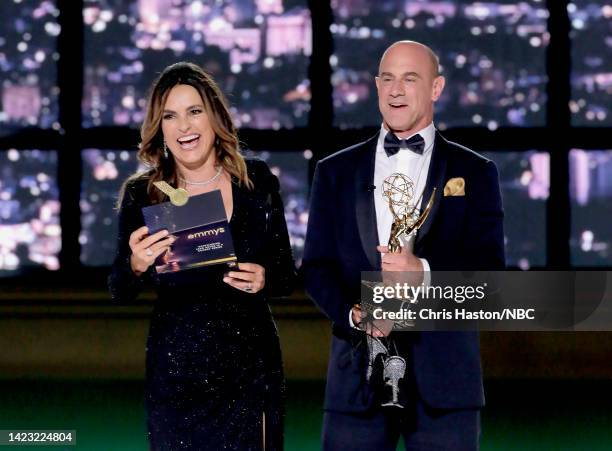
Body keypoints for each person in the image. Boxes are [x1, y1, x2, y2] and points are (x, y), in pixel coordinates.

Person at [303, 41, 505, 450]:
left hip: (445, 380)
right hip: (356, 378)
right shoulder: (335, 172)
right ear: (377, 87)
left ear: (436, 88)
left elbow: (490, 273)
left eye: (410, 79)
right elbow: (316, 267)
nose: (396, 90)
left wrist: (423, 274)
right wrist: (354, 314)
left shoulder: (477, 172)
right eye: (388, 79)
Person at [108, 62, 295, 450]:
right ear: (159, 128)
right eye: (170, 116)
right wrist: (136, 265)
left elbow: (285, 275)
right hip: (177, 372)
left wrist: (265, 278)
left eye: (194, 111)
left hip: (250, 368)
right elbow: (119, 290)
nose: (184, 127)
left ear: (214, 116)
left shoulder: (256, 181)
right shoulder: (143, 194)